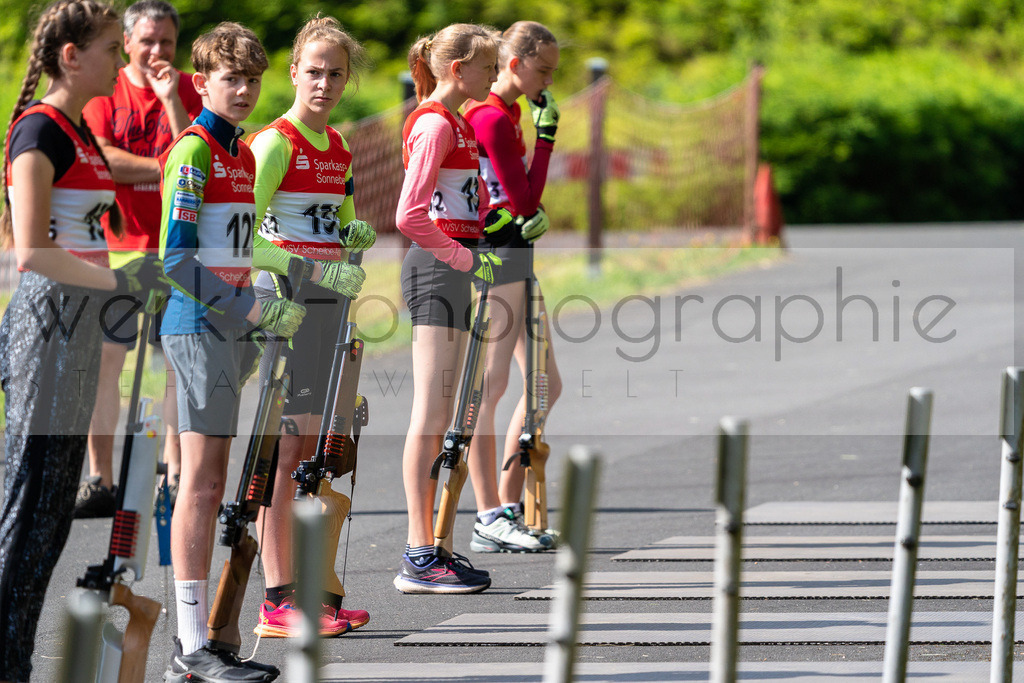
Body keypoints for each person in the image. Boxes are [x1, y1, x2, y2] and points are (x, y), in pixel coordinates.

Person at [0, 2, 168, 679]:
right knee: (29, 500)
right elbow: (32, 252)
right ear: (71, 56)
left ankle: (14, 657)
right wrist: (116, 280)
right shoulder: (38, 131)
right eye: (107, 47)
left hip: (79, 319)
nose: (119, 59)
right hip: (47, 322)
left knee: (51, 517)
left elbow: (117, 203)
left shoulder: (78, 130)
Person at [157, 22, 305, 682]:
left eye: (252, 79)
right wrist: (250, 306)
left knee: (216, 479)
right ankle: (191, 645)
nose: (243, 89)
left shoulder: (243, 156)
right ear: (201, 83)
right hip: (196, 324)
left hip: (231, 329)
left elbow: (239, 249)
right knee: (205, 481)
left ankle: (204, 640)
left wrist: (276, 286)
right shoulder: (193, 152)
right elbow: (177, 259)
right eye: (230, 78)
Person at [246, 15, 373, 638]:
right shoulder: (274, 143)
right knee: (287, 448)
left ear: (347, 82)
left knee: (318, 452)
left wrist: (354, 242)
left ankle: (311, 593)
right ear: (294, 71)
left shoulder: (340, 148)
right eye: (314, 71)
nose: (324, 83)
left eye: (335, 74)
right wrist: (311, 271)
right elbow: (241, 236)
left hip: (329, 310)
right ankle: (276, 600)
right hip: (288, 305)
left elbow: (343, 228)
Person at [75, 0, 203, 518]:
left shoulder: (190, 87)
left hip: (178, 253)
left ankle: (172, 474)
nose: (156, 51)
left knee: (176, 364)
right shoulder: (105, 89)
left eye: (166, 42)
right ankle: (99, 478)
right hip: (120, 253)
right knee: (107, 365)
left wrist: (173, 102)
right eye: (147, 41)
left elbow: (201, 152)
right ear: (127, 42)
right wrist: (165, 163)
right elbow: (102, 158)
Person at [393, 23, 505, 595]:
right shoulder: (436, 122)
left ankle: (437, 545)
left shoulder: (456, 120)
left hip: (453, 265)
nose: (494, 75)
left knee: (450, 412)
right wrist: (464, 258)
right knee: (431, 414)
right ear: (458, 70)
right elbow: (409, 215)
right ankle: (418, 552)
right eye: (488, 66)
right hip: (435, 269)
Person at [462, 21, 563, 553]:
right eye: (542, 69)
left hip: (516, 252)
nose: (548, 81)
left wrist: (529, 210)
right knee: (490, 386)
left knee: (545, 381)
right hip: (495, 256)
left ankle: (506, 506)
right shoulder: (490, 116)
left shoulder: (511, 111)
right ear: (514, 63)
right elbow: (524, 200)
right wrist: (547, 139)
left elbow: (518, 198)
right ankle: (488, 514)